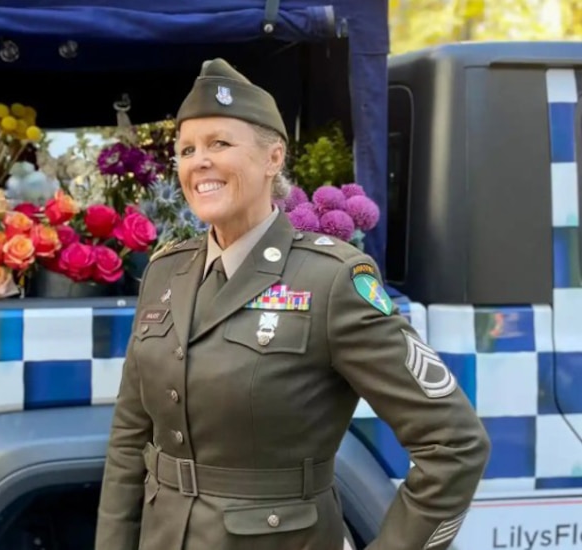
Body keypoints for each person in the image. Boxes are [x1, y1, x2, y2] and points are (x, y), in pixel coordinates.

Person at [94, 58, 491, 550]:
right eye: (187, 149)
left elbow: (454, 444)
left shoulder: (332, 280)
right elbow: (132, 439)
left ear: (273, 158)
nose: (199, 161)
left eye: (220, 143)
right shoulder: (164, 272)